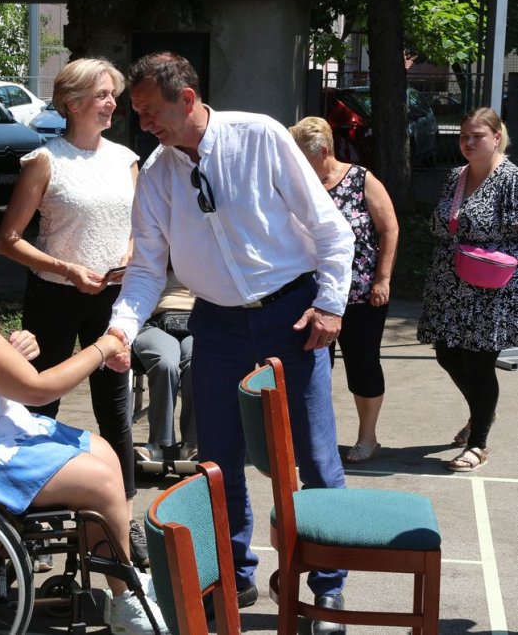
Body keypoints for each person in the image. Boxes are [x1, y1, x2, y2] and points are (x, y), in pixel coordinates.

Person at [106, 52, 355, 634]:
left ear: (187, 98)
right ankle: (233, 575)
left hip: (294, 313)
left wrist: (331, 304)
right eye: (137, 113)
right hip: (214, 321)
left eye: (149, 111)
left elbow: (329, 228)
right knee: (217, 460)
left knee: (315, 456)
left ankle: (328, 592)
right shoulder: (159, 171)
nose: (143, 124)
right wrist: (120, 328)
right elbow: (146, 269)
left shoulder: (260, 136)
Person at [0, 209, 168, 635]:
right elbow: (40, 391)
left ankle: (121, 578)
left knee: (106, 453)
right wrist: (102, 346)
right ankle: (124, 597)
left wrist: (14, 351)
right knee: (100, 481)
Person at [0, 58, 148, 565]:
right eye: (103, 95)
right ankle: (24, 522)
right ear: (73, 102)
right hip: (55, 297)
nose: (112, 103)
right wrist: (66, 267)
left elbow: (139, 226)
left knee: (116, 410)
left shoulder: (127, 158)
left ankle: (122, 520)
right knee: (40, 406)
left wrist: (130, 249)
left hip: (111, 297)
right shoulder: (45, 159)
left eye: (113, 95)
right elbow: (10, 240)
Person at [289, 116, 399, 464]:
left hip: (362, 294)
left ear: (322, 151)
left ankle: (368, 437)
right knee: (312, 368)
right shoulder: (300, 185)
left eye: (300, 155)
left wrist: (383, 278)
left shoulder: (361, 179)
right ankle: (313, 439)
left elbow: (389, 229)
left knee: (363, 364)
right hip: (310, 294)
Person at [417, 107, 518, 472]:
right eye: (464, 136)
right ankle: (482, 412)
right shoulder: (456, 177)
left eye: (477, 136)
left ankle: (478, 444)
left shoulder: (510, 179)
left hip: (490, 288)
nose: (469, 142)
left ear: (496, 137)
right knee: (446, 353)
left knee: (478, 363)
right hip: (449, 281)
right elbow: (441, 222)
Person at [132, 269, 197, 464]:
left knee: (199, 363)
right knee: (165, 364)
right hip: (152, 322)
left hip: (199, 321)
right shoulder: (149, 249)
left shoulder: (206, 250)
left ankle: (193, 445)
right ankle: (159, 445)